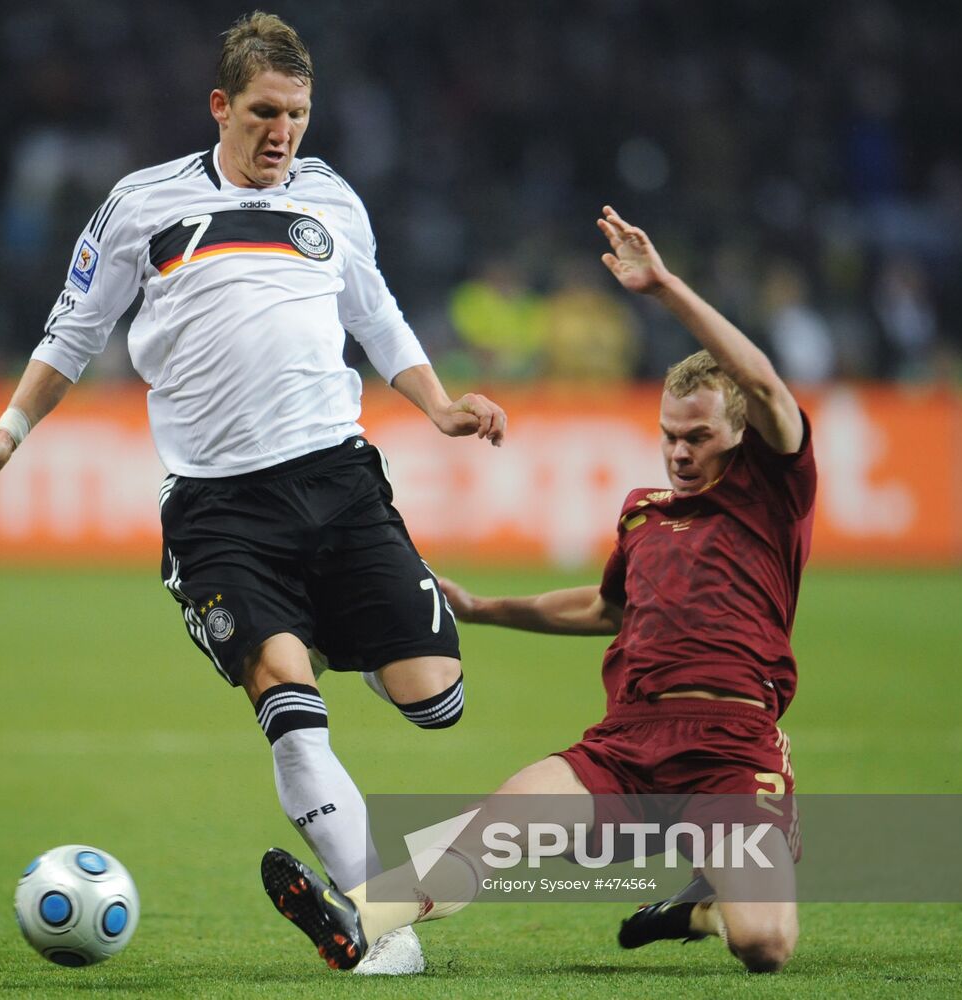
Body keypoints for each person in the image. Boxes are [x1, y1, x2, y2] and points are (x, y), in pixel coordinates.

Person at [0, 12, 506, 976]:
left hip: (339, 481)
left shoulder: (331, 198)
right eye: (263, 113)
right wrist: (8, 431)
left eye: (297, 114)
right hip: (218, 511)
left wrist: (440, 405)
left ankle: (328, 634)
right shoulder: (142, 203)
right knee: (285, 698)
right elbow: (73, 327)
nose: (282, 132)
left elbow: (378, 315)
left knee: (436, 700)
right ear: (221, 107)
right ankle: (384, 924)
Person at [261, 204, 814, 975]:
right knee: (499, 824)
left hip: (729, 750)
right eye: (668, 435)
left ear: (741, 434)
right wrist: (486, 610)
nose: (679, 453)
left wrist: (662, 290)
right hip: (628, 744)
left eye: (699, 438)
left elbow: (757, 376)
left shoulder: (771, 495)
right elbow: (605, 609)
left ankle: (696, 906)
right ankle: (356, 915)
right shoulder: (643, 515)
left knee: (764, 947)